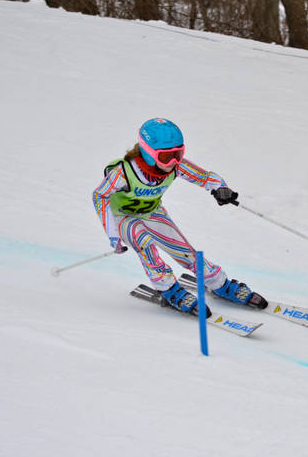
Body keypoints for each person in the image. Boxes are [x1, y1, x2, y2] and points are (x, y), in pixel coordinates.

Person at [93, 117, 265, 314]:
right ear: (149, 153)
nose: (174, 161)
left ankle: (219, 283)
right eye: (167, 156)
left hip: (152, 213)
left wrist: (220, 188)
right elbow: (100, 195)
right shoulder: (124, 172)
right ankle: (168, 288)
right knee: (144, 243)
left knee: (184, 252)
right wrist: (113, 235)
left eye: (178, 153)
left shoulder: (176, 167)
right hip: (123, 217)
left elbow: (204, 177)